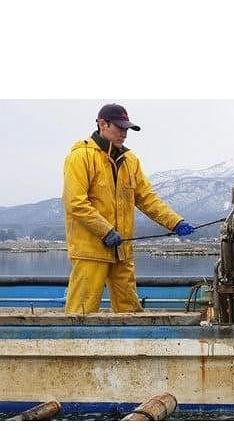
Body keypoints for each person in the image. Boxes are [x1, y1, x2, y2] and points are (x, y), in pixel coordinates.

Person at [62, 103, 194, 313]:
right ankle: (72, 345)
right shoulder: (81, 157)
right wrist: (105, 231)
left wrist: (175, 221)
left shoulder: (130, 160)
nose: (124, 133)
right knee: (82, 311)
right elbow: (75, 203)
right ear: (102, 124)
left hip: (121, 251)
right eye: (120, 128)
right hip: (91, 251)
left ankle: (132, 344)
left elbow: (147, 198)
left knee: (129, 310)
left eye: (126, 129)